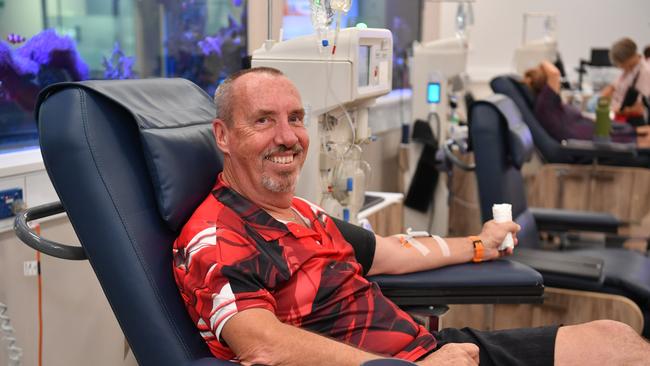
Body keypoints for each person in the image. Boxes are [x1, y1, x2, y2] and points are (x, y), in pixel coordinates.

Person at [173, 67, 650, 365]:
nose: (288, 137)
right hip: (391, 363)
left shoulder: (298, 212)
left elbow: (388, 254)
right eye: (263, 120)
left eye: (296, 118)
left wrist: (480, 243)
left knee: (617, 339)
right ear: (223, 135)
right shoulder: (217, 238)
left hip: (421, 348)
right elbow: (262, 345)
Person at [523, 60, 650, 148]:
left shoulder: (549, 105)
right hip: (599, 143)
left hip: (605, 135)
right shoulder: (545, 104)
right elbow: (554, 73)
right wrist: (542, 63)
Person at [602, 37, 650, 126]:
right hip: (618, 115)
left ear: (627, 58)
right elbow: (613, 86)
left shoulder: (645, 73)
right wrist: (606, 94)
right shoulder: (628, 70)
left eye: (620, 64)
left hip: (632, 121)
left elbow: (640, 108)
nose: (619, 67)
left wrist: (618, 111)